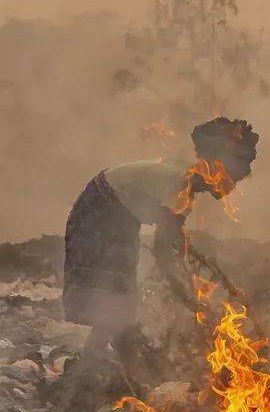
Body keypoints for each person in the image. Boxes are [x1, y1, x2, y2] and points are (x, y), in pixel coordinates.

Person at [62, 117, 259, 358]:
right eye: (233, 178)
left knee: (119, 296)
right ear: (217, 170)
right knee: (114, 294)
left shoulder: (184, 181)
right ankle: (91, 364)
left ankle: (101, 360)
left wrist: (190, 283)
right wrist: (190, 300)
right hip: (101, 211)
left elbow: (172, 240)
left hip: (116, 215)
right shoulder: (181, 184)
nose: (232, 187)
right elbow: (164, 250)